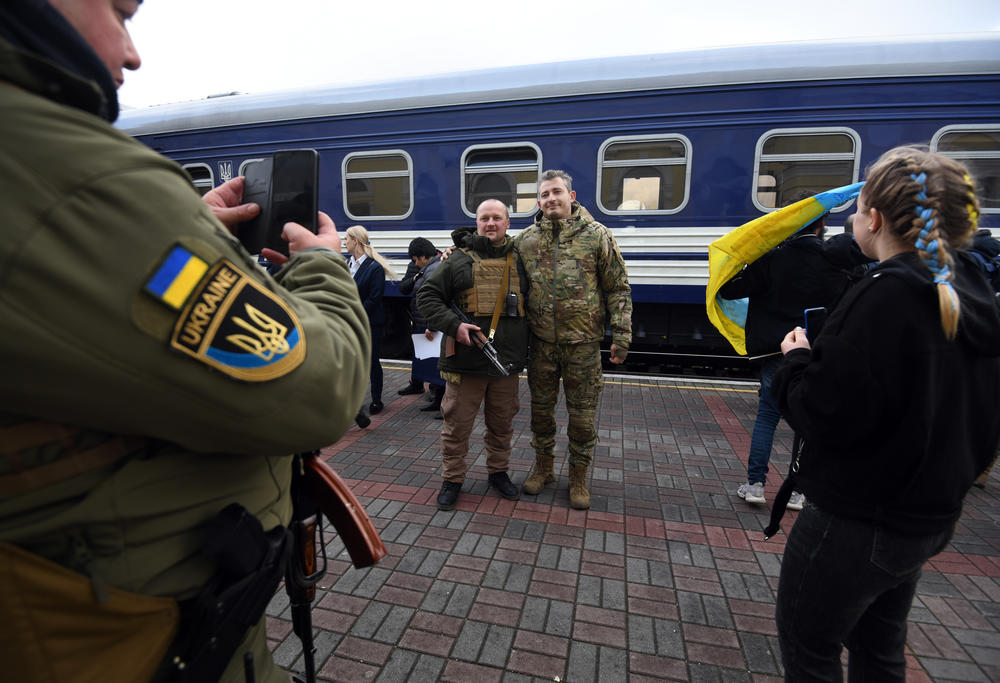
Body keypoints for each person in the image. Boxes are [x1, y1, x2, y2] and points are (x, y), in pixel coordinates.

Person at [0, 2, 371, 682]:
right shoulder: (67, 171)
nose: (132, 52)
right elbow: (323, 389)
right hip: (136, 642)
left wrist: (178, 238)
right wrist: (322, 264)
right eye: (119, 10)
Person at [772, 146, 1000, 681]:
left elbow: (822, 413)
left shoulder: (885, 298)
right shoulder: (968, 286)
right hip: (926, 515)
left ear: (873, 219)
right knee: (879, 646)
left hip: (857, 518)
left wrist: (796, 360)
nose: (851, 219)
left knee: (811, 649)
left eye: (857, 208)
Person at [719, 200, 865, 510]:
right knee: (807, 418)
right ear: (822, 225)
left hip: (776, 349)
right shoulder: (836, 261)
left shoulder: (773, 259)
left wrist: (748, 258)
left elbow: (730, 289)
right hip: (816, 347)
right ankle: (798, 491)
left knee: (768, 415)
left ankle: (756, 484)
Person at [514, 170, 632, 510]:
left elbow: (617, 288)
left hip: (583, 345)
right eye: (545, 195)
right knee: (541, 414)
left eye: (557, 193)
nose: (551, 199)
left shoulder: (596, 236)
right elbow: (495, 264)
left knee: (581, 417)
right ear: (539, 202)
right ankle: (544, 468)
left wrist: (621, 336)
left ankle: (578, 477)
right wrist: (453, 254)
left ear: (572, 196)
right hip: (541, 346)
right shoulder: (525, 240)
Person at [417, 199, 529, 510]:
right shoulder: (456, 260)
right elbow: (427, 295)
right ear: (476, 223)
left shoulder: (522, 259)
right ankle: (452, 479)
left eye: (497, 218)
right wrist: (455, 325)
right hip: (464, 363)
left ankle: (499, 473)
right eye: (484, 218)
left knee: (502, 424)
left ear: (507, 223)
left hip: (505, 364)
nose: (490, 223)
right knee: (457, 426)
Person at [345, 224, 396, 424]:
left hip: (369, 322)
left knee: (372, 361)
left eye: (347, 239)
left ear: (355, 241)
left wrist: (355, 314)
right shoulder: (348, 264)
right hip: (350, 321)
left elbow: (374, 298)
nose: (344, 243)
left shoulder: (374, 268)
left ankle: (376, 400)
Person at [398, 237, 446, 414]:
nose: (415, 264)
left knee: (438, 366)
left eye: (415, 260)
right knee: (434, 365)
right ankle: (438, 403)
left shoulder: (432, 270)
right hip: (425, 322)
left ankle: (443, 406)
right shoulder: (430, 267)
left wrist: (431, 326)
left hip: (431, 324)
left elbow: (435, 301)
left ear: (422, 257)